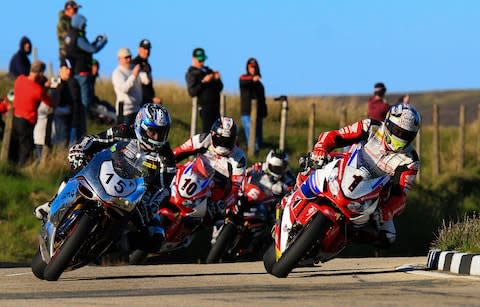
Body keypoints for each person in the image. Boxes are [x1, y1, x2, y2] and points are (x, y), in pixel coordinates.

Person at [35, 103, 176, 251]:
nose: (157, 137)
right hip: (105, 174)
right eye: (153, 132)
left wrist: (151, 205)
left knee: (156, 238)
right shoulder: (123, 131)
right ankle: (53, 203)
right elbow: (94, 140)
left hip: (137, 198)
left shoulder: (167, 158)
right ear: (141, 125)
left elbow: (163, 188)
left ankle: (116, 248)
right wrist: (80, 149)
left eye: (162, 132)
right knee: (79, 166)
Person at [309, 103, 421, 247]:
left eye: (406, 135)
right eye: (397, 131)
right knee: (311, 165)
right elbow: (336, 135)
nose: (401, 137)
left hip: (370, 197)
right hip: (344, 167)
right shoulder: (370, 126)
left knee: (388, 236)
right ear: (387, 123)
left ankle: (340, 241)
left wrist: (386, 211)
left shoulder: (410, 161)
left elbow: (400, 196)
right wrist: (321, 148)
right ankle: (291, 195)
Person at [173, 117, 246, 220]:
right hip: (193, 174)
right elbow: (178, 151)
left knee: (217, 220)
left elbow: (235, 189)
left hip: (215, 188)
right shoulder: (202, 139)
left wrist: (223, 204)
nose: (223, 144)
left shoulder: (239, 157)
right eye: (220, 140)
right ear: (212, 135)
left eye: (227, 141)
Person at [64, 13, 107, 139]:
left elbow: (84, 48)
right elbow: (91, 49)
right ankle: (81, 137)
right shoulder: (77, 36)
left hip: (75, 74)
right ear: (79, 23)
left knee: (77, 106)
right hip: (82, 74)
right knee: (83, 107)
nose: (85, 26)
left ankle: (77, 136)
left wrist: (95, 41)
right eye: (84, 24)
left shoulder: (70, 35)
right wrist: (103, 42)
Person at [9, 61, 53, 165]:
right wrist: (47, 88)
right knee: (26, 148)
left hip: (15, 118)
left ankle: (11, 166)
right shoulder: (38, 90)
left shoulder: (19, 79)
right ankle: (22, 169)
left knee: (14, 145)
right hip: (27, 121)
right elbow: (50, 102)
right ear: (41, 73)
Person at [185, 48, 223, 133]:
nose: (201, 62)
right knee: (208, 133)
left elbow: (220, 87)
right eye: (199, 60)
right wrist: (204, 81)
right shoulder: (191, 73)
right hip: (205, 108)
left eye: (203, 59)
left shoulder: (208, 70)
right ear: (193, 59)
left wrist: (217, 79)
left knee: (219, 132)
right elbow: (192, 92)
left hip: (216, 107)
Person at [49, 58, 82, 147]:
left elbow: (76, 103)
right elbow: (52, 100)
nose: (68, 71)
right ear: (61, 69)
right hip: (55, 117)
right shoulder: (56, 81)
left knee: (66, 144)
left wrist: (75, 121)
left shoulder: (73, 82)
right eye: (66, 68)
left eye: (70, 69)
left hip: (70, 120)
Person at [239, 57, 267, 152]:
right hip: (247, 113)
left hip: (258, 114)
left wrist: (264, 112)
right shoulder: (244, 79)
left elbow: (263, 100)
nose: (253, 69)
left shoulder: (260, 85)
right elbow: (243, 79)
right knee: (251, 137)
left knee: (259, 139)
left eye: (254, 67)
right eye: (251, 67)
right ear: (247, 67)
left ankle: (257, 157)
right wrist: (253, 79)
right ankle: (251, 155)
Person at [112, 48, 142, 126]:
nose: (129, 59)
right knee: (123, 136)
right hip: (125, 111)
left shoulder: (135, 68)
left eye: (130, 57)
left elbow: (146, 81)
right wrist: (134, 75)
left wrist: (146, 71)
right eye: (126, 57)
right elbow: (124, 89)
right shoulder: (117, 73)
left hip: (137, 109)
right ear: (119, 59)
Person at [133, 39, 161, 105]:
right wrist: (151, 99)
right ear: (139, 49)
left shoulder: (147, 65)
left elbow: (149, 86)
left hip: (148, 101)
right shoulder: (135, 63)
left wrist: (153, 97)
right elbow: (139, 86)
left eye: (148, 49)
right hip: (139, 102)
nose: (147, 51)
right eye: (144, 49)